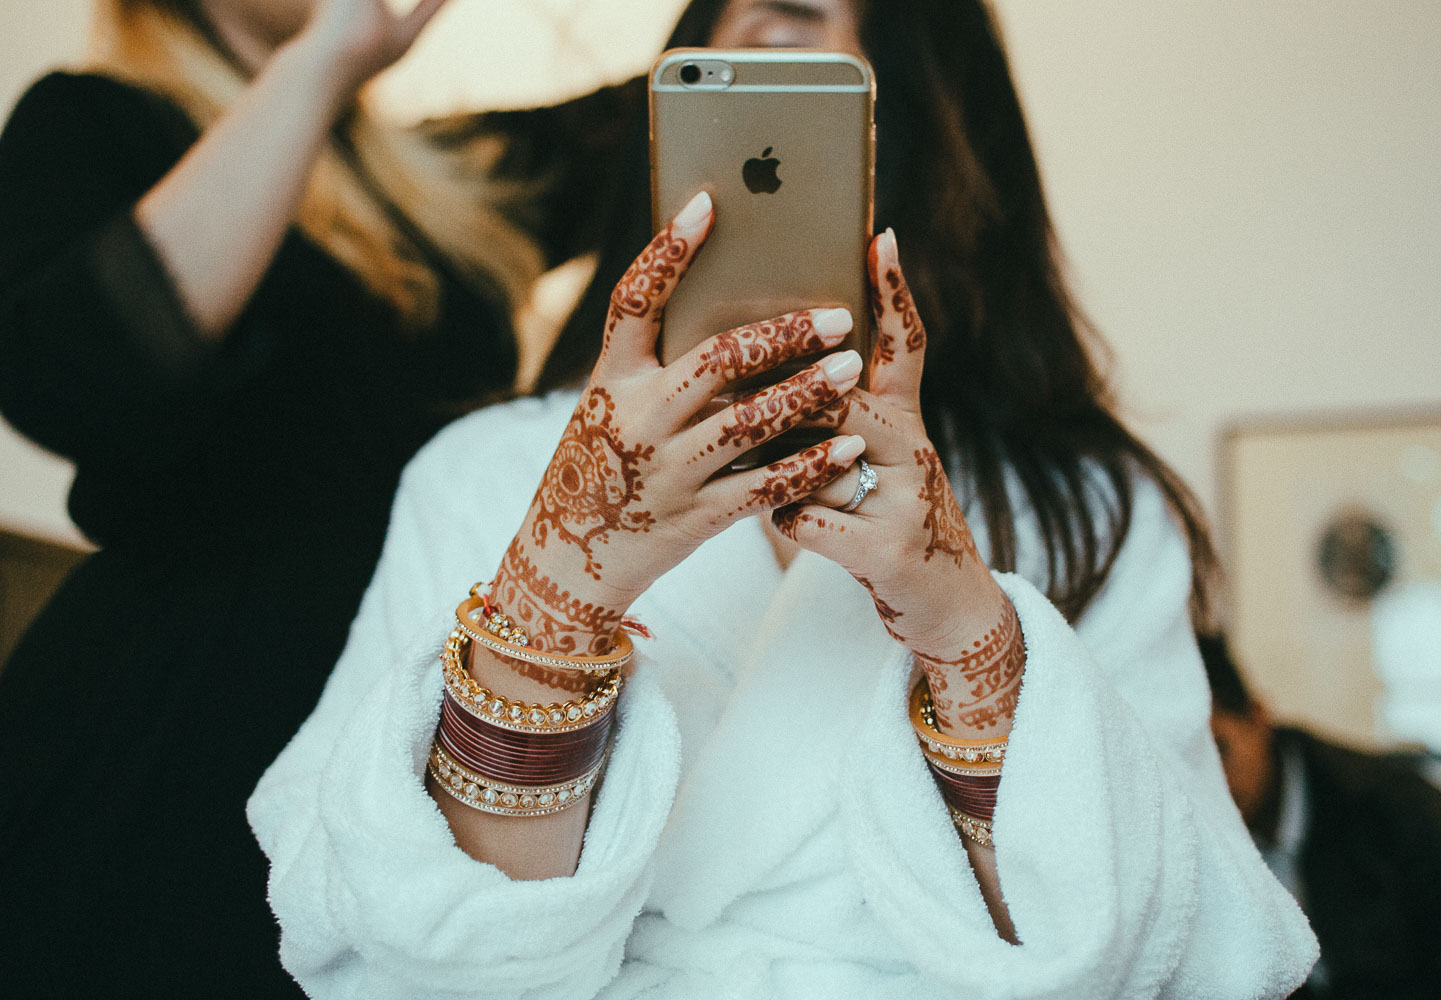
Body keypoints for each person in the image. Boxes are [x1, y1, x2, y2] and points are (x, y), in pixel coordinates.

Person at [249, 0, 1320, 995]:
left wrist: (963, 626)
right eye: (729, 48)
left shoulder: (1089, 505)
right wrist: (557, 595)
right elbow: (393, 933)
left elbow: (1175, 946)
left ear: (921, 111)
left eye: (801, 36)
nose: (759, 46)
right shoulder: (484, 471)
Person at [0, 0, 618, 993]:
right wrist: (331, 51)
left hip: (392, 711)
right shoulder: (93, 120)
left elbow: (663, 116)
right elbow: (84, 378)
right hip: (180, 723)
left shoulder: (436, 181)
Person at [1201, 634, 1441, 999]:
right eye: (1188, 764)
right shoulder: (1191, 842)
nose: (1209, 780)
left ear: (1258, 717)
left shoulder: (1404, 812)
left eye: (1219, 749)